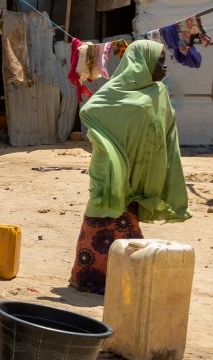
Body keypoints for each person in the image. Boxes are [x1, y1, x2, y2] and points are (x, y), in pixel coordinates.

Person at [69, 40, 190, 295]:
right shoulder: (118, 90)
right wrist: (109, 145)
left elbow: (166, 128)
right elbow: (91, 111)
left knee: (127, 218)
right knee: (103, 214)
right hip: (112, 167)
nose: (164, 67)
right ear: (141, 64)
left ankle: (122, 278)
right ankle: (88, 278)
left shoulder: (158, 93)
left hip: (141, 168)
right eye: (159, 61)